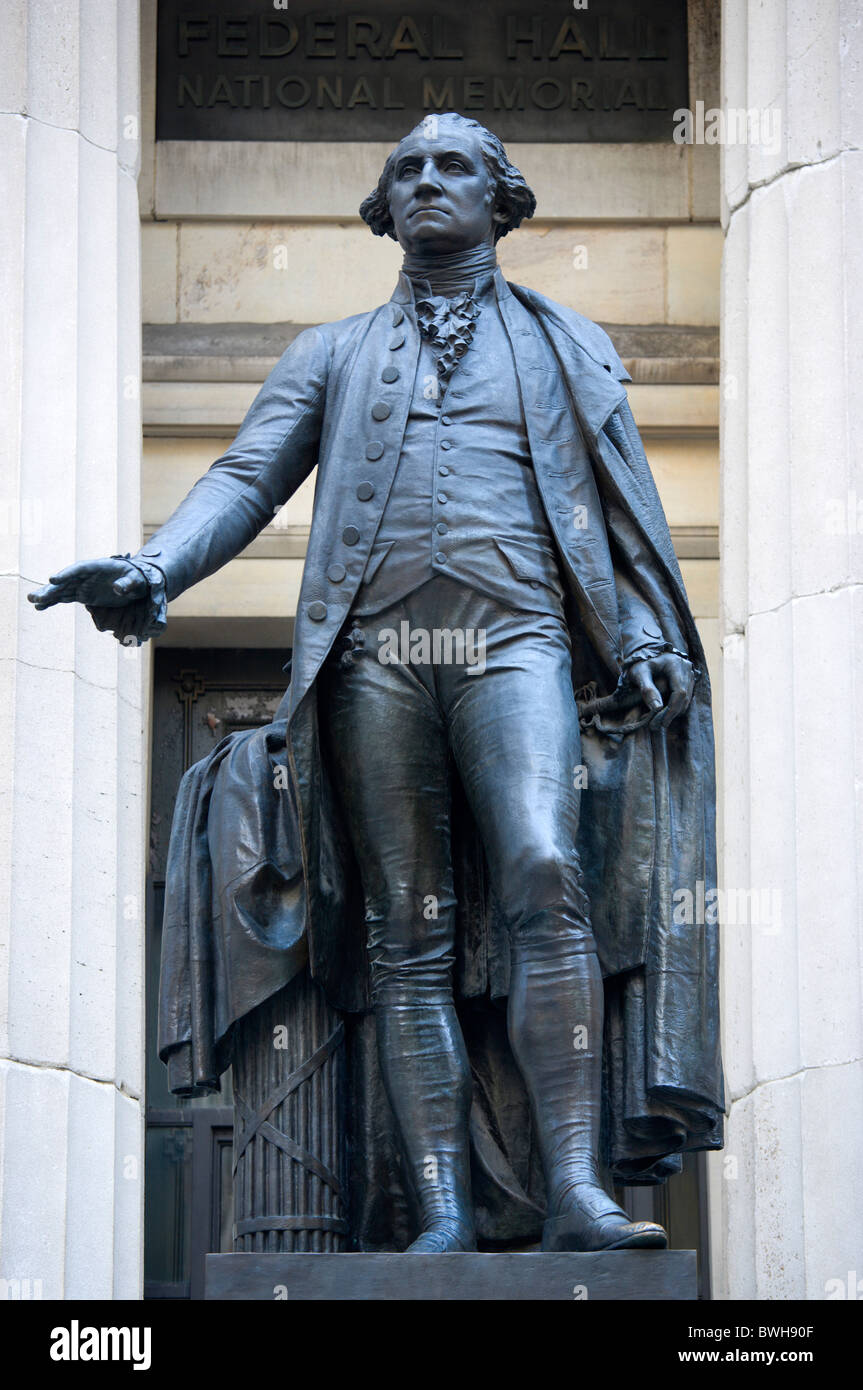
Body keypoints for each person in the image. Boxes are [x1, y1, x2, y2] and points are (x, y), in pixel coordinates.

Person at [30, 113, 723, 1254]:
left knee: (544, 872)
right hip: (373, 663)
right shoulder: (330, 352)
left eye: (453, 165)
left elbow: (623, 514)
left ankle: (574, 1190)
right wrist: (156, 562)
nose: (426, 181)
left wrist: (644, 626)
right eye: (405, 168)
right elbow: (247, 474)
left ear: (501, 198)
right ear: (383, 205)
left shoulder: (566, 343)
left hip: (516, 643)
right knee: (407, 930)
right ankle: (440, 1207)